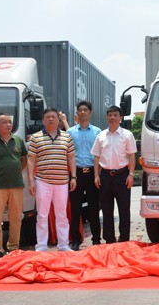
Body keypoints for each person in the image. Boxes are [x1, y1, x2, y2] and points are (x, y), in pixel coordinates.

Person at [27, 107, 77, 252]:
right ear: (43, 120)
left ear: (58, 119)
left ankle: (63, 245)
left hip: (62, 183)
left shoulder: (67, 137)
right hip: (43, 182)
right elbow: (31, 160)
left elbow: (71, 158)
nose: (50, 119)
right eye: (47, 117)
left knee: (62, 215)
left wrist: (73, 177)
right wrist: (31, 181)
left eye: (53, 117)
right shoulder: (36, 137)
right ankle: (41, 246)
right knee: (42, 215)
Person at [0, 113, 28, 259]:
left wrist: (14, 171)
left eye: (10, 122)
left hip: (16, 185)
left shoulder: (18, 140)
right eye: (4, 122)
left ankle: (14, 247)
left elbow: (24, 160)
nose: (8, 125)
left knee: (16, 217)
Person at [92, 106, 137, 243]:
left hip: (122, 175)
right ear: (107, 117)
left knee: (124, 209)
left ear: (120, 118)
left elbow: (132, 156)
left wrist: (131, 174)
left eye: (115, 115)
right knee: (106, 209)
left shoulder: (127, 135)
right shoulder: (101, 136)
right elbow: (96, 157)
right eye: (110, 115)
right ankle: (109, 239)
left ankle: (124, 239)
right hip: (105, 176)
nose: (112, 117)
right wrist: (96, 176)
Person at [67, 101, 102, 250]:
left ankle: (96, 240)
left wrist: (98, 174)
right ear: (77, 113)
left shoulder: (97, 132)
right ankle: (75, 240)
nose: (82, 112)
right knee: (75, 209)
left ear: (90, 112)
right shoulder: (70, 132)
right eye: (80, 110)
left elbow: (100, 154)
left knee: (94, 208)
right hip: (76, 174)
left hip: (92, 173)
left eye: (85, 110)